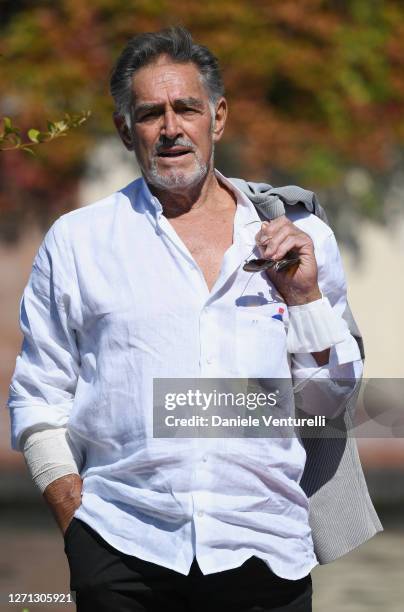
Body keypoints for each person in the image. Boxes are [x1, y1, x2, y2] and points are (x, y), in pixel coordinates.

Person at [7, 26, 382, 612]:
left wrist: (305, 298)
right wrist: (75, 522)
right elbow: (37, 397)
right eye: (151, 113)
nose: (171, 128)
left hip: (265, 552)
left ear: (218, 117)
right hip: (121, 549)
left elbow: (328, 405)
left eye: (186, 108)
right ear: (124, 129)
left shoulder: (298, 241)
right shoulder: (78, 242)